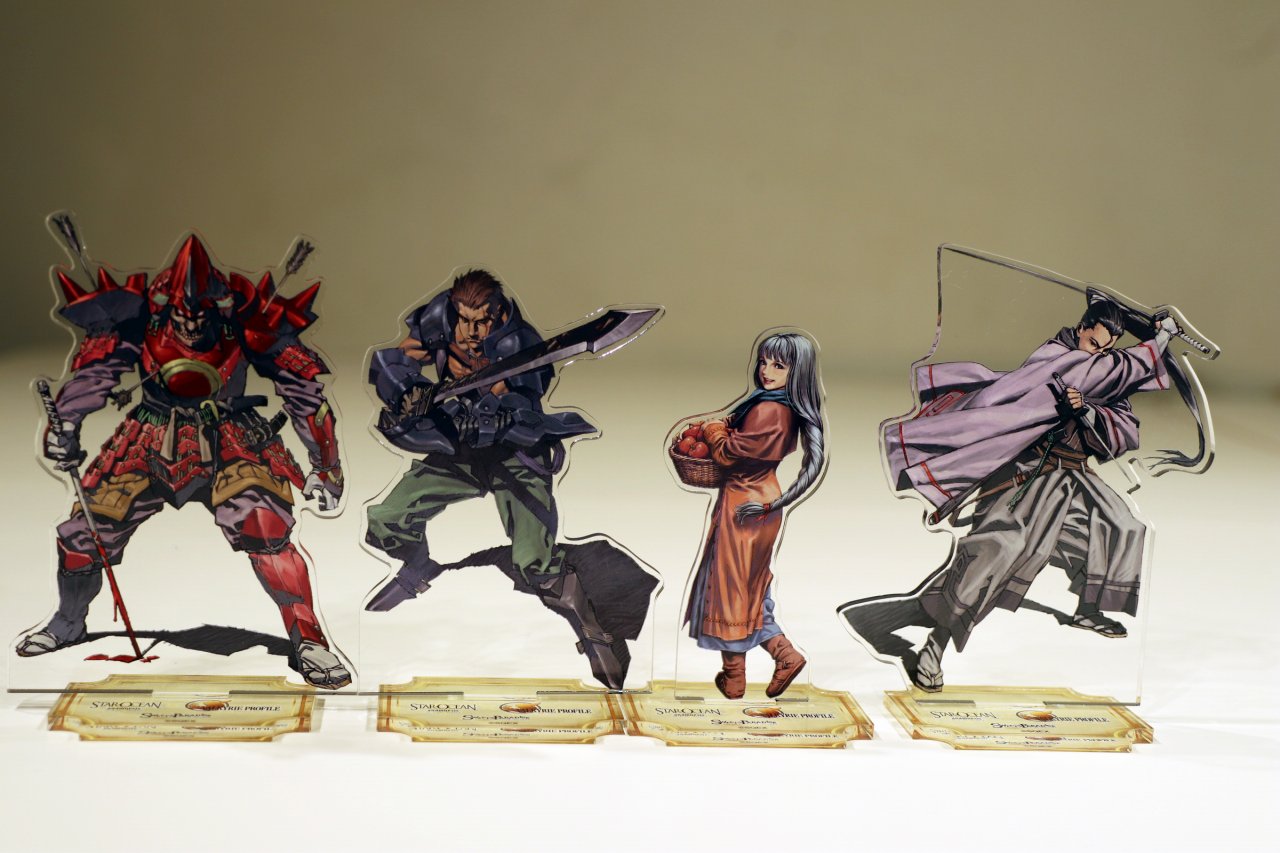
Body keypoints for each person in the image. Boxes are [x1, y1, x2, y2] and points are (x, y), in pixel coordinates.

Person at [19, 234, 349, 689]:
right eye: (182, 317)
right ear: (165, 307)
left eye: (201, 316)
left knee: (266, 530)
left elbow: (304, 394)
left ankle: (309, 641)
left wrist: (326, 466)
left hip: (231, 439)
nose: (192, 326)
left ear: (219, 308)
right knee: (84, 532)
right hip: (150, 437)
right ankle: (67, 621)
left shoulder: (247, 321)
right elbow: (94, 375)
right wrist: (65, 427)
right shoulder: (139, 320)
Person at [842, 296, 1181, 691]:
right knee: (998, 553)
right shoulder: (1055, 358)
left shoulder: (1104, 370)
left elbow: (1122, 426)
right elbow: (1105, 372)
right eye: (1093, 343)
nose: (1098, 353)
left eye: (1107, 349)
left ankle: (1087, 608)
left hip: (1073, 477)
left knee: (1120, 526)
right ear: (1081, 329)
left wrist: (1088, 411)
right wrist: (1160, 340)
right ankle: (934, 645)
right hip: (1028, 474)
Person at [364, 269, 638, 689]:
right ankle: (419, 566)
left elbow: (521, 404)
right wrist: (408, 390)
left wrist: (491, 414)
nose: (472, 332)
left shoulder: (520, 344)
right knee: (387, 518)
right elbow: (392, 361)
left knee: (535, 563)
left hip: (513, 452)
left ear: (497, 313)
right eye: (464, 320)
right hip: (460, 451)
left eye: (482, 321)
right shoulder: (438, 320)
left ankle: (594, 631)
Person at [682, 331, 826, 700]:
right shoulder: (772, 404)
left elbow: (727, 453)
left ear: (797, 372)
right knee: (749, 587)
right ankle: (783, 655)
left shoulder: (769, 410)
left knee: (731, 591)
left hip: (745, 504)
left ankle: (736, 679)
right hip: (759, 500)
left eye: (779, 365)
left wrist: (712, 430)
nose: (766, 371)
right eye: (764, 362)